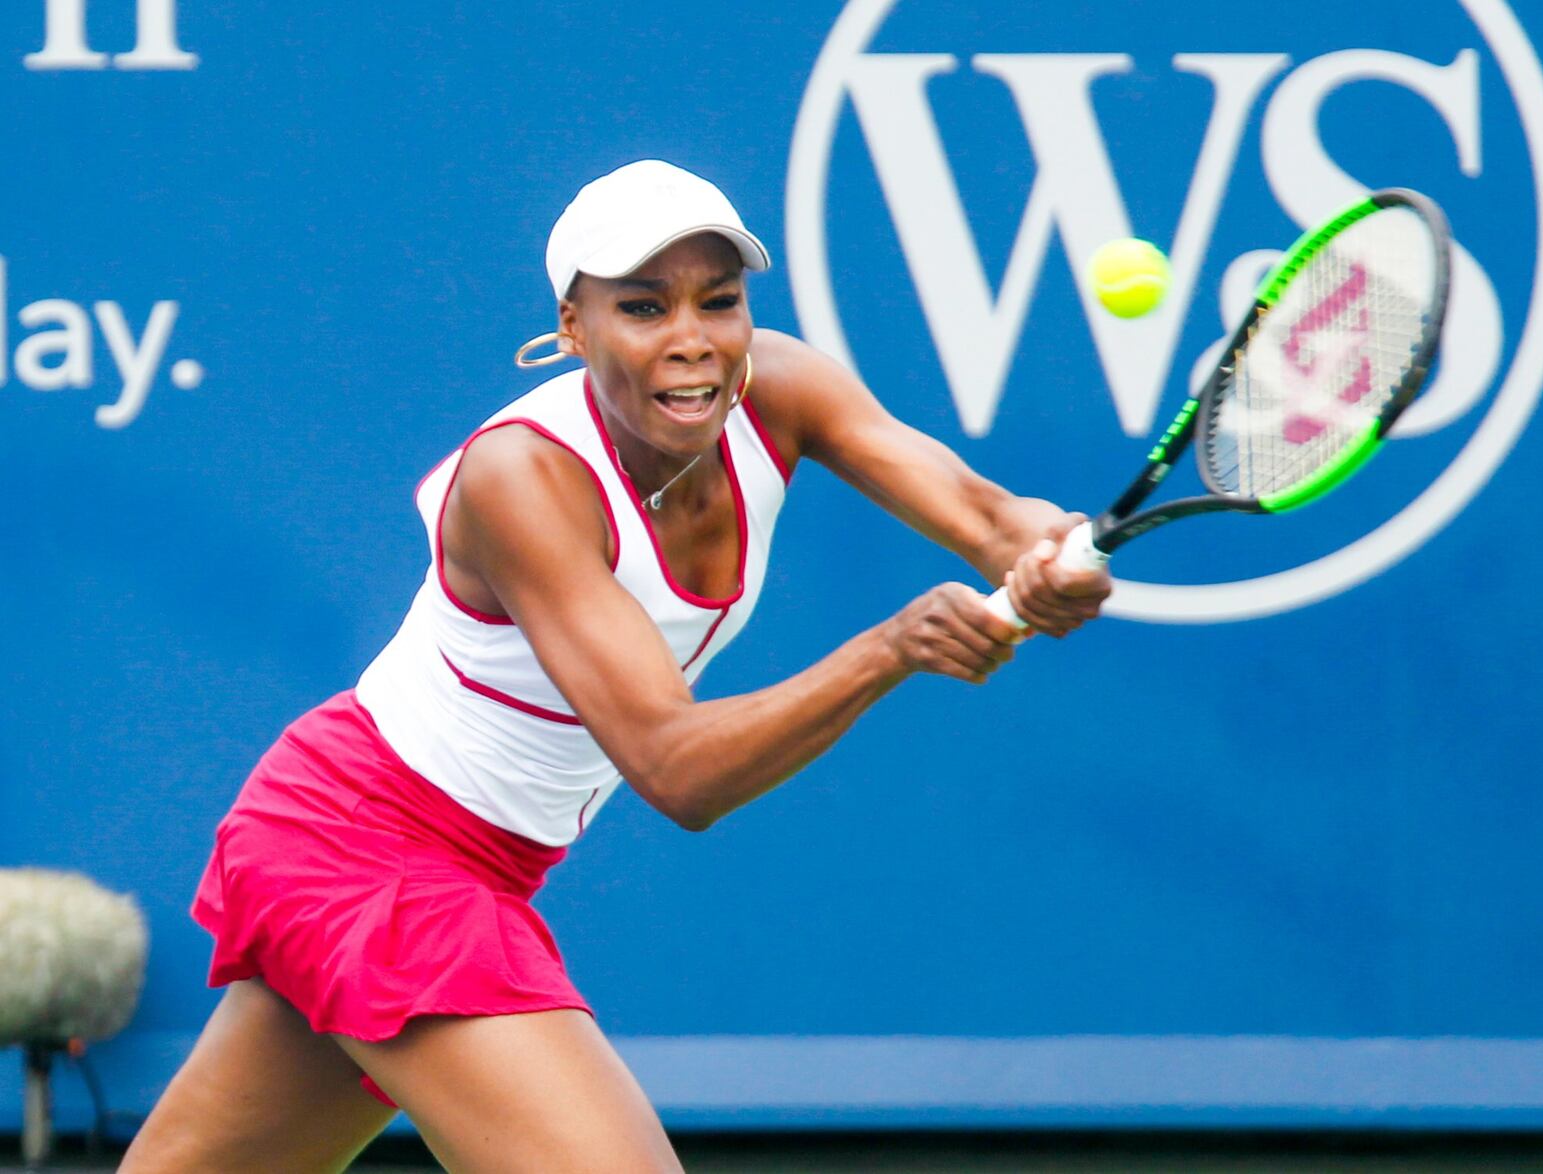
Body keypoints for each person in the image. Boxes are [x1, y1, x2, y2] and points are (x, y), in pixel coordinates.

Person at [121, 160, 1110, 1173]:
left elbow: (986, 513)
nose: (691, 337)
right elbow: (676, 766)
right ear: (571, 326)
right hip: (362, 844)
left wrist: (1042, 546)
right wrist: (888, 649)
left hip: (451, 858)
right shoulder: (522, 479)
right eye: (642, 306)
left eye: (717, 301)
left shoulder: (786, 387)